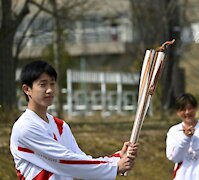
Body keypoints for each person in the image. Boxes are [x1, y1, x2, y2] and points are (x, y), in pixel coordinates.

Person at [10, 60, 138, 179]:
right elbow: (64, 161)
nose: (49, 90)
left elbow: (79, 159)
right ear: (27, 90)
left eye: (52, 84)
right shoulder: (25, 128)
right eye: (43, 85)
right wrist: (113, 167)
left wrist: (116, 158)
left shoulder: (60, 126)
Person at [166, 93, 199, 180]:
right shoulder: (174, 131)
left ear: (195, 108)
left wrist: (193, 138)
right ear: (178, 112)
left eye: (190, 108)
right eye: (183, 109)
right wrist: (186, 138)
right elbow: (174, 157)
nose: (187, 112)